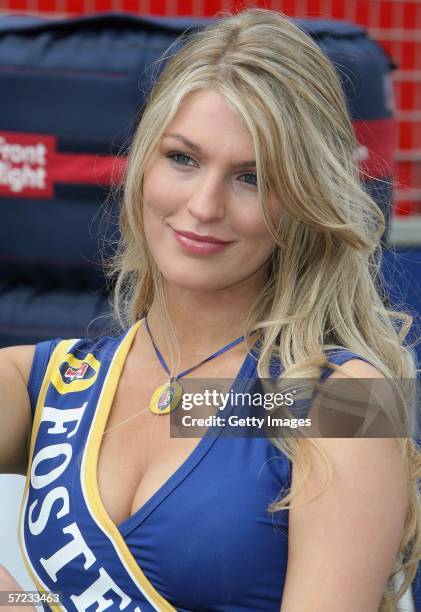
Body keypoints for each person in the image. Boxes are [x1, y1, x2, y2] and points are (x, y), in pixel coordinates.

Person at [0, 8, 419, 612]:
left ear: (304, 200)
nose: (203, 205)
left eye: (252, 177)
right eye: (183, 158)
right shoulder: (54, 381)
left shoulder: (345, 401)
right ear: (143, 161)